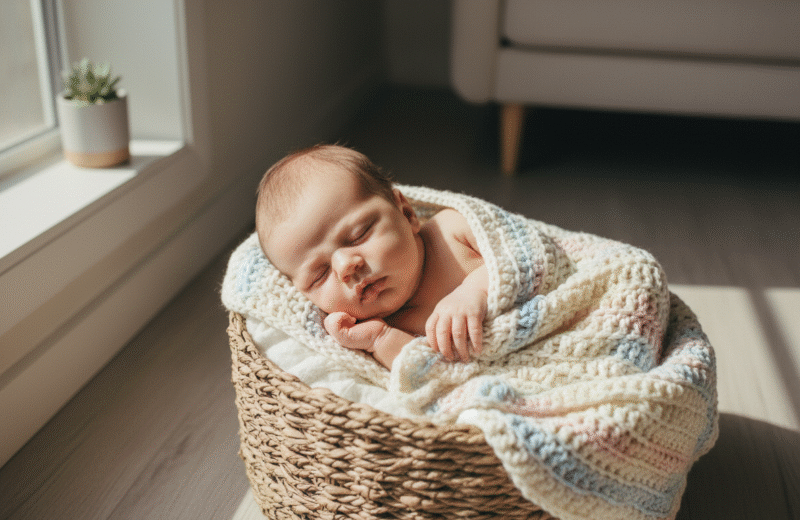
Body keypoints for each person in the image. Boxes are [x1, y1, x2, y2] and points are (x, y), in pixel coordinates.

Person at [255, 144, 488, 370]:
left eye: (359, 235)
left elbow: (518, 256)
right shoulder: (383, 327)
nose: (345, 266)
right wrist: (379, 339)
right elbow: (432, 374)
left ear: (406, 214)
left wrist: (474, 292)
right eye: (320, 275)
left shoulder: (451, 231)